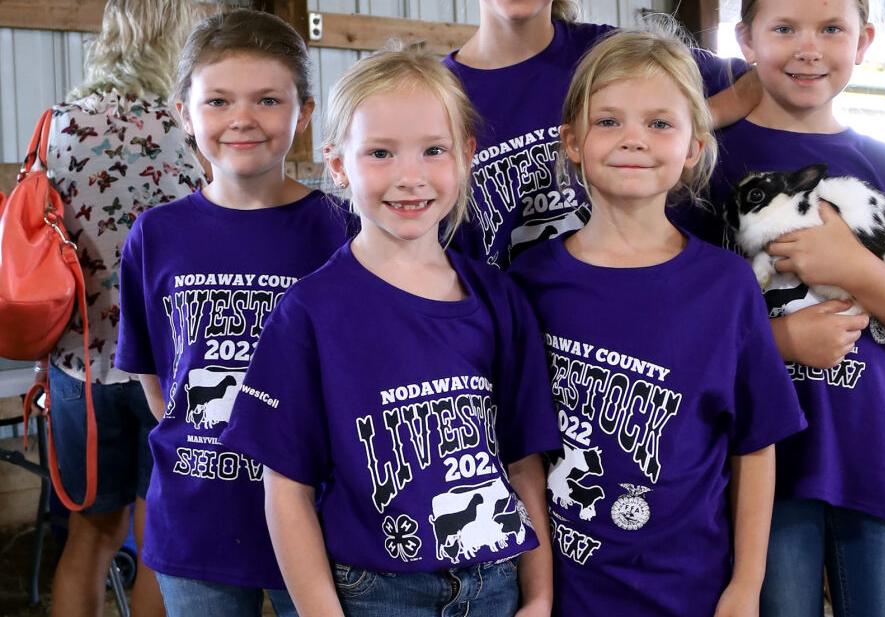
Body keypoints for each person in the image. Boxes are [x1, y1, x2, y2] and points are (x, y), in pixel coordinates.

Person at [219, 46, 561, 617]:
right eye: (380, 152)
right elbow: (285, 489)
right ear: (337, 164)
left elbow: (524, 463)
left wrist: (540, 594)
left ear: (467, 156)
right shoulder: (310, 313)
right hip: (377, 592)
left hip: (496, 582)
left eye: (434, 150)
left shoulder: (498, 298)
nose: (410, 177)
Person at [508, 27, 807, 617]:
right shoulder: (530, 282)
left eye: (660, 124)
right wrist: (537, 591)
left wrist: (746, 587)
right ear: (572, 141)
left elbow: (755, 445)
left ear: (694, 145)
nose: (634, 141)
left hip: (691, 591)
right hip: (571, 594)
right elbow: (523, 459)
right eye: (609, 121)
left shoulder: (725, 287)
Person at [707, 1, 885, 614]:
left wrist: (852, 267)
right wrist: (780, 342)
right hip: (757, 468)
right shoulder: (707, 164)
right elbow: (679, 324)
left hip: (874, 459)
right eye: (784, 29)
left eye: (831, 29)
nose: (808, 48)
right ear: (746, 39)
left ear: (864, 40)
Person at [114, 9, 349, 616]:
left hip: (318, 516)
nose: (242, 119)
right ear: (184, 114)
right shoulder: (156, 234)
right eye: (217, 101)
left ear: (304, 112)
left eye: (268, 99)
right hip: (197, 516)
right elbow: (154, 376)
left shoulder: (342, 231)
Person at [42, 1, 203, 615]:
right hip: (170, 363)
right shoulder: (191, 124)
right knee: (160, 537)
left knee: (90, 536)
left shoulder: (55, 125)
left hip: (79, 362)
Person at [445, 0, 761, 268]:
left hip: (645, 306)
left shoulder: (615, 56)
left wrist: (693, 123)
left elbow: (761, 80)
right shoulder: (437, 97)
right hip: (518, 325)